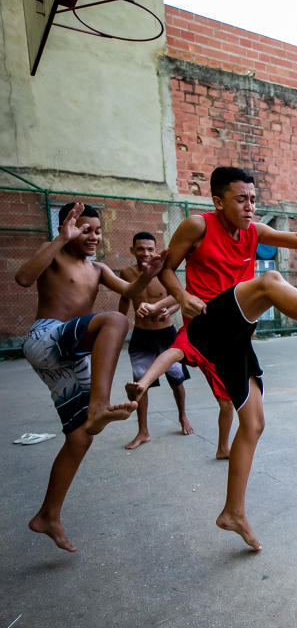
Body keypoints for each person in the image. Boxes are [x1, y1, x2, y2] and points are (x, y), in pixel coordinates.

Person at [126, 165, 297, 551]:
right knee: (269, 283)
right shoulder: (197, 226)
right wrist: (181, 298)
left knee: (253, 424)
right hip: (209, 322)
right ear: (218, 201)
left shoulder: (253, 232)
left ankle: (232, 512)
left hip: (235, 336)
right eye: (241, 199)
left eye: (254, 199)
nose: (250, 206)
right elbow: (168, 269)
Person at [15, 202, 164, 552]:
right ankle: (99, 406)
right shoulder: (53, 256)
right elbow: (23, 278)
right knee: (115, 320)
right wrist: (58, 239)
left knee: (80, 438)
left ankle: (48, 516)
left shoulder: (97, 269)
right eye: (85, 230)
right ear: (68, 228)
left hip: (69, 356)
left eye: (98, 231)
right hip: (45, 337)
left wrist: (148, 273)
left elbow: (128, 292)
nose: (93, 236)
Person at [118, 231, 193, 449]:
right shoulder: (126, 273)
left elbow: (179, 298)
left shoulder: (165, 273)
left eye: (150, 249)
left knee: (177, 381)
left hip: (166, 335)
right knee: (140, 386)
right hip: (141, 336)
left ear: (156, 249)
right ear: (132, 250)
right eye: (140, 248)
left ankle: (183, 417)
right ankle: (143, 431)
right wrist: (120, 326)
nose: (146, 253)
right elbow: (123, 303)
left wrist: (168, 311)